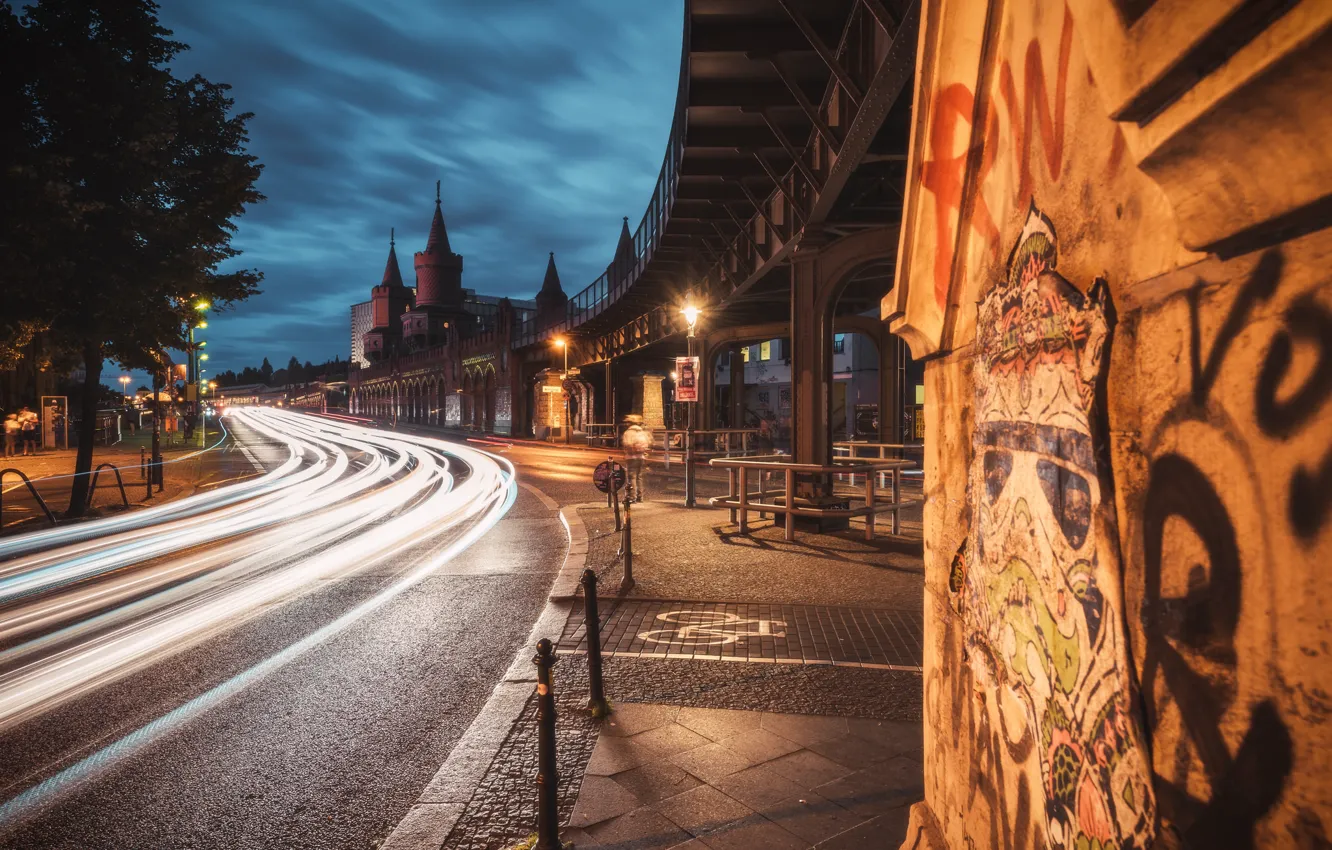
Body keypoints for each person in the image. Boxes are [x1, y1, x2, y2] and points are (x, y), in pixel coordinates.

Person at [621, 414, 652, 503]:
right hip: (641, 457)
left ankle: (631, 497)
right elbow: (647, 443)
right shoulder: (641, 432)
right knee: (639, 477)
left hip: (631, 457)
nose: (626, 424)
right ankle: (640, 496)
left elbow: (627, 444)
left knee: (632, 477)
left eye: (627, 422)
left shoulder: (628, 432)